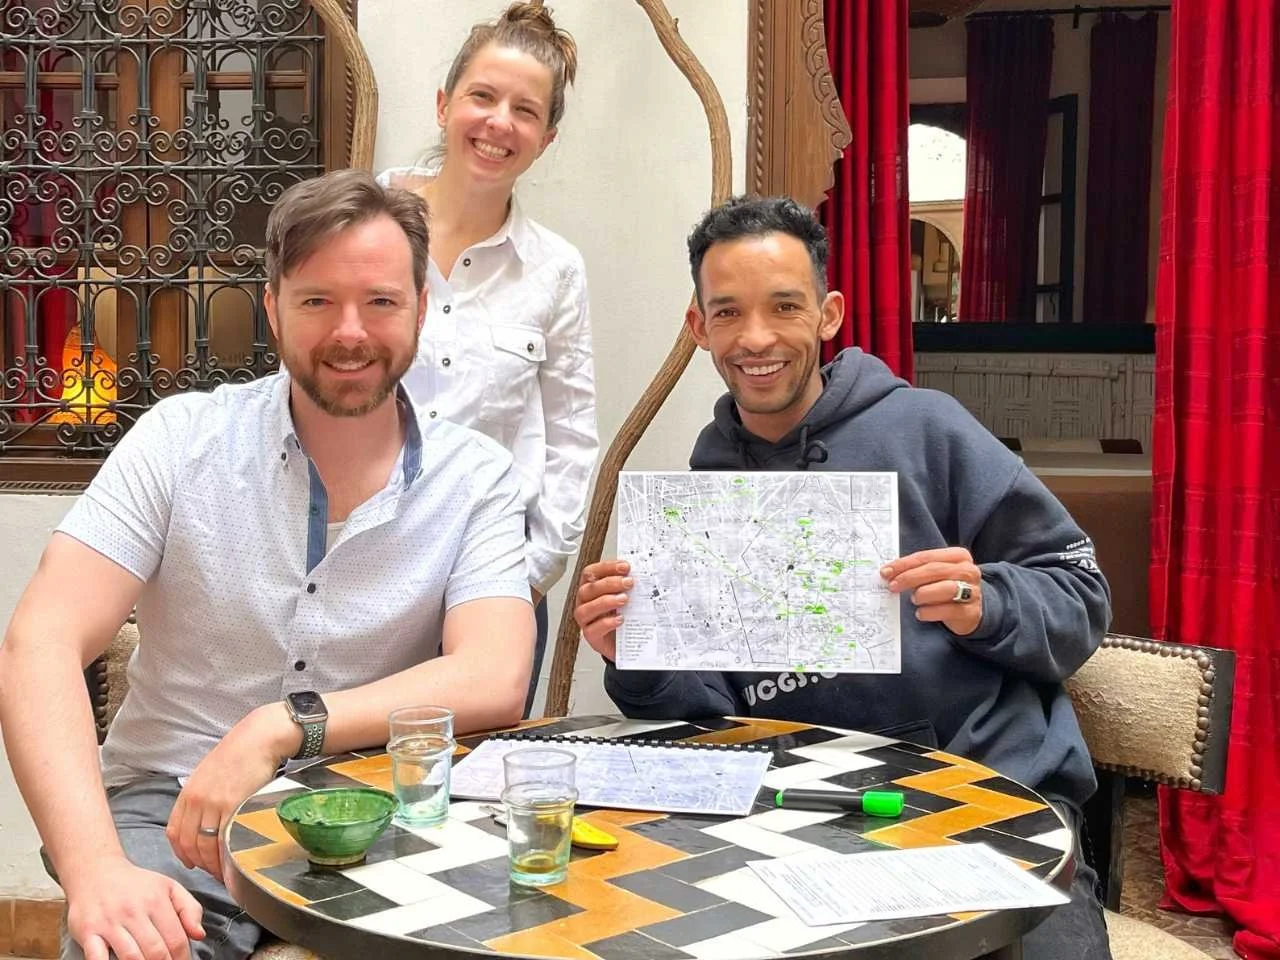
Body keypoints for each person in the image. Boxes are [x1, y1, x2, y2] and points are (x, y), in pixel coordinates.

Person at [0, 169, 536, 960]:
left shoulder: (476, 477)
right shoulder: (179, 441)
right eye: (318, 300)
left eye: (381, 302)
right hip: (166, 808)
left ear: (421, 309)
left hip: (371, 814)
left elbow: (493, 674)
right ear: (273, 310)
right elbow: (38, 643)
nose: (350, 331)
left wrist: (282, 728)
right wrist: (96, 869)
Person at [573, 196, 1113, 959]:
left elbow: (1080, 592)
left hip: (987, 794)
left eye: (783, 306)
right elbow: (711, 716)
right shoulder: (707, 477)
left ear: (828, 315)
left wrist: (984, 601)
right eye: (727, 313)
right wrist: (636, 651)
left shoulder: (929, 428)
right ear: (698, 329)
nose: (756, 338)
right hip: (805, 810)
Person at [378, 3, 598, 716]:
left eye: (525, 110)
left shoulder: (555, 270)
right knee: (345, 789)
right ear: (444, 105)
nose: (499, 122)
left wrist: (530, 578)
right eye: (482, 96)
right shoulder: (361, 218)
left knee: (469, 798)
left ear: (546, 138)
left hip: (492, 585)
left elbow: (570, 436)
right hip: (361, 571)